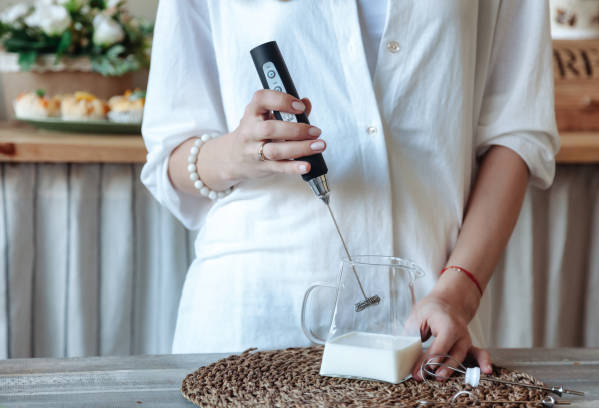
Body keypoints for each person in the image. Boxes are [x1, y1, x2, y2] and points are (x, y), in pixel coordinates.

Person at [141, 0, 558, 380]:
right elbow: (170, 155)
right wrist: (240, 152)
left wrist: (458, 293)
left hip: (426, 332)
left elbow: (516, 132)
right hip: (252, 321)